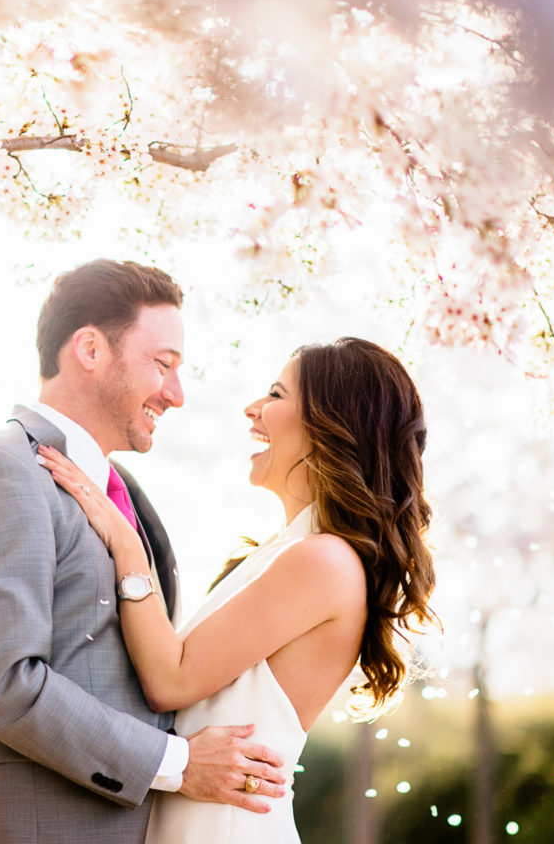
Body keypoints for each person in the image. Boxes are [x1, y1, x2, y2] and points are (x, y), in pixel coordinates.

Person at [0, 260, 290, 844]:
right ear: (91, 349)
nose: (176, 394)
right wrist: (179, 764)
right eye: (163, 365)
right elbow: (5, 685)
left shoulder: (125, 491)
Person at [39, 337, 438, 843]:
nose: (253, 408)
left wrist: (124, 541)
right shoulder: (286, 553)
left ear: (330, 424)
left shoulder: (323, 561)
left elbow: (170, 680)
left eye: (276, 395)